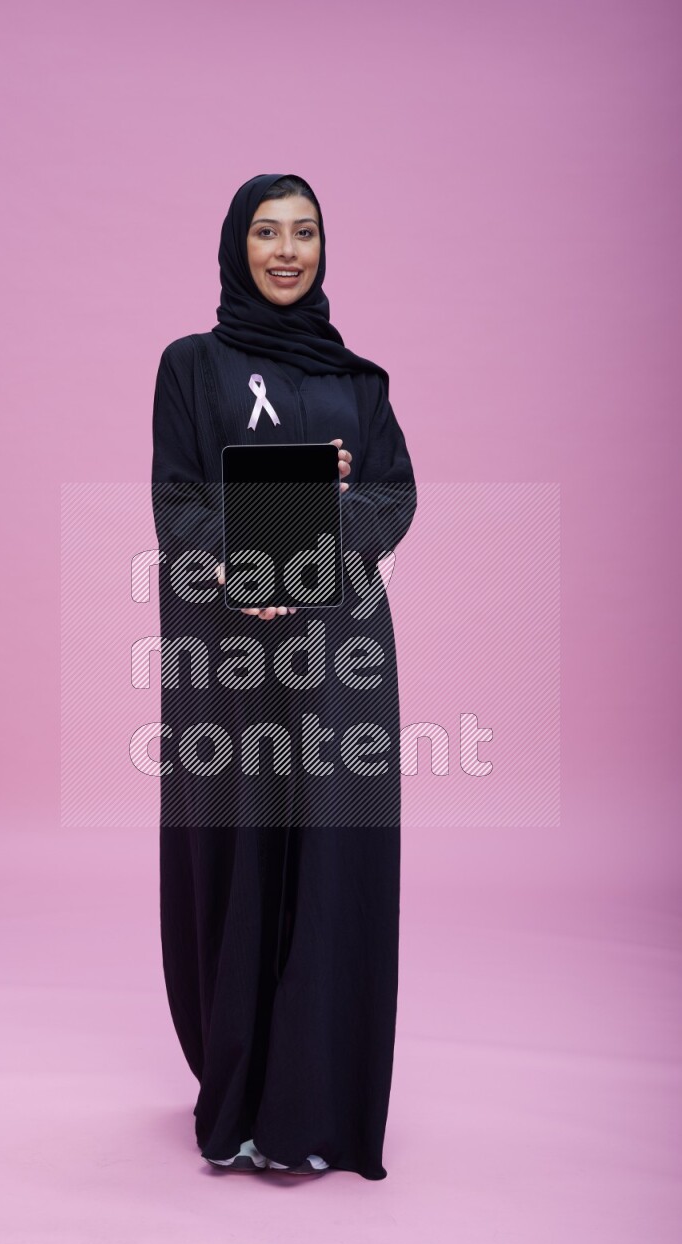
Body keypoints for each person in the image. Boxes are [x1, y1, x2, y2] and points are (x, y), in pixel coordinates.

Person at [151, 173, 417, 1180]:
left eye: (304, 231)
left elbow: (393, 493)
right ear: (235, 244)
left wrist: (318, 533)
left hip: (335, 652)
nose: (286, 248)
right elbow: (174, 493)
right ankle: (241, 1098)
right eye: (266, 230)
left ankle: (314, 1106)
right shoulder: (189, 364)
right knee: (241, 849)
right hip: (229, 650)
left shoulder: (359, 380)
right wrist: (238, 566)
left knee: (329, 854)